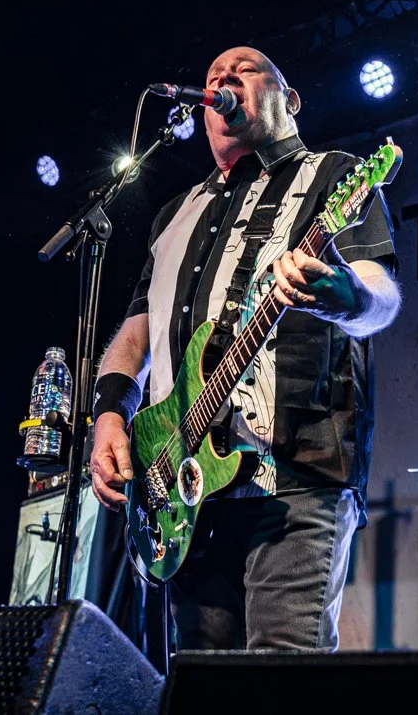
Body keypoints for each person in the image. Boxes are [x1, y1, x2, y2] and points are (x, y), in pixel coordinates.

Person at [89, 46, 401, 651]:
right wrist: (109, 415)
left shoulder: (334, 176)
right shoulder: (173, 215)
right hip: (184, 489)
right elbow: (137, 331)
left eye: (247, 69)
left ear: (292, 100)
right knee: (204, 688)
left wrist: (342, 294)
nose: (224, 76)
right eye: (212, 75)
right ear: (203, 112)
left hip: (296, 477)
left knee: (279, 680)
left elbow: (382, 297)